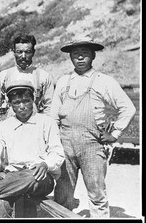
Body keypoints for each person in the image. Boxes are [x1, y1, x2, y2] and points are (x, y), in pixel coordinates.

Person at [50, 36, 136, 218]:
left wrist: (115, 134)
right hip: (64, 143)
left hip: (92, 145)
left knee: (96, 192)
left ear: (93, 56)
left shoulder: (103, 81)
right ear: (70, 57)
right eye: (75, 54)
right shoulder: (63, 82)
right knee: (63, 193)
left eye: (85, 53)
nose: (80, 58)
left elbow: (128, 108)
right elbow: (53, 116)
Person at [0, 80, 65, 218]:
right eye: (16, 103)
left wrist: (46, 164)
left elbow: (58, 153)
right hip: (13, 178)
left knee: (31, 176)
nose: (22, 107)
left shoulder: (46, 122)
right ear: (10, 104)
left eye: (26, 101)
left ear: (33, 100)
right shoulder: (4, 127)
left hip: (41, 178)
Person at [0, 34, 54, 127]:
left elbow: (50, 106)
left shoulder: (44, 76)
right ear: (14, 52)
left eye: (27, 52)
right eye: (19, 52)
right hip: (10, 127)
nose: (23, 56)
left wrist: (44, 127)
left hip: (35, 127)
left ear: (33, 52)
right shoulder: (4, 76)